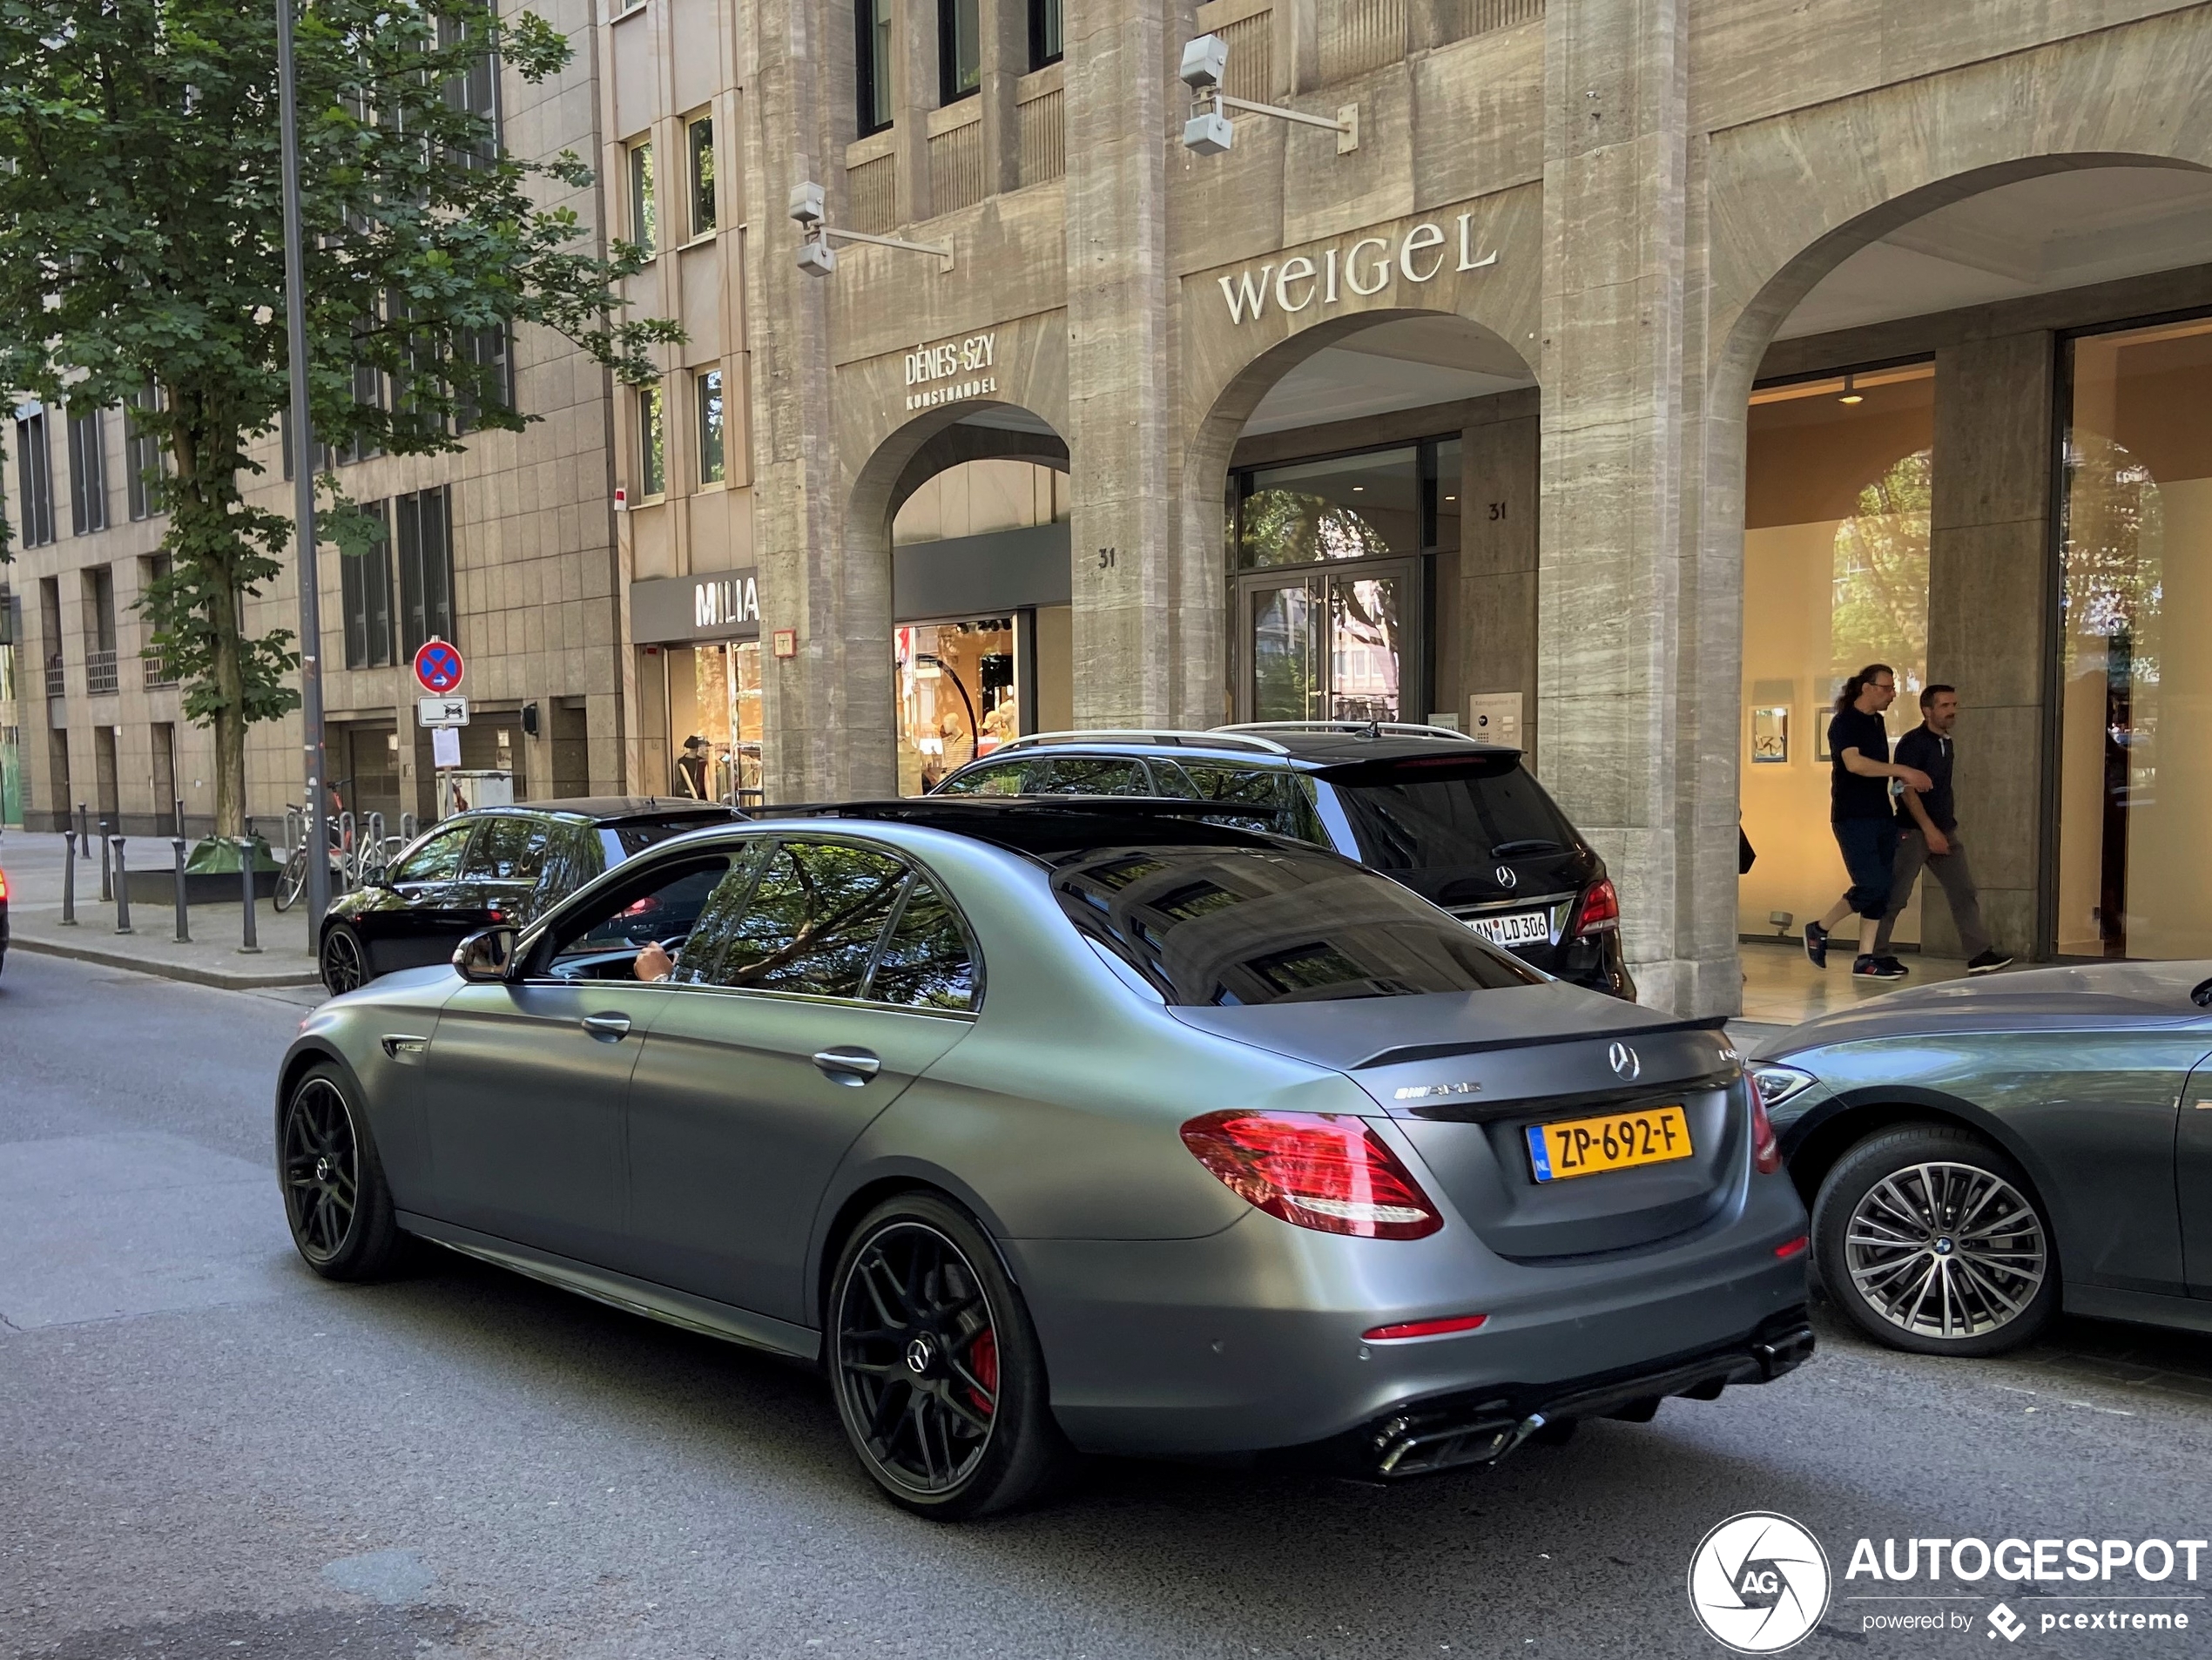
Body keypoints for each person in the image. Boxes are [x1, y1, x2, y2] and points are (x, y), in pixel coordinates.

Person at [1869, 685, 2014, 976]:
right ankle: (1874, 953)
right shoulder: (1913, 743)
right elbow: (1904, 790)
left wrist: (1942, 830)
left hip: (1944, 830)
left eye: (1954, 705)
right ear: (1927, 710)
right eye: (1945, 705)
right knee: (1896, 895)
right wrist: (1929, 830)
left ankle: (1979, 954)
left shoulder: (1946, 742)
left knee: (1963, 890)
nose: (1952, 711)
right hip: (1914, 832)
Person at [1804, 664, 1933, 980]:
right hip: (1853, 816)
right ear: (1866, 688)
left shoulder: (1876, 721)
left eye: (1892, 689)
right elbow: (1855, 764)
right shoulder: (1844, 722)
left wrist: (1897, 784)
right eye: (1886, 688)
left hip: (1880, 813)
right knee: (1871, 884)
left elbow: (1876, 768)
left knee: (1884, 888)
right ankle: (1819, 928)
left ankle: (1866, 957)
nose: (1892, 695)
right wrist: (1903, 770)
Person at [674, 735, 710, 800]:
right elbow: (688, 781)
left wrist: (709, 800)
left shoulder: (702, 761)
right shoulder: (682, 761)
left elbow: (707, 782)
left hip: (699, 795)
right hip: (688, 795)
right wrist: (696, 798)